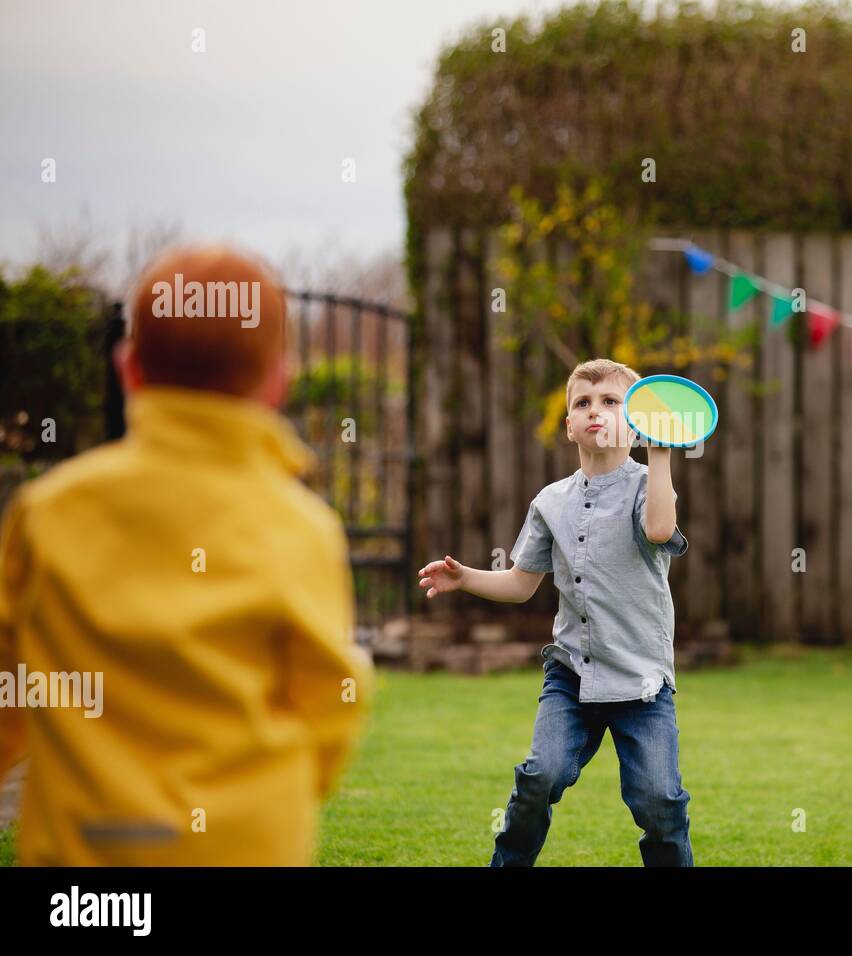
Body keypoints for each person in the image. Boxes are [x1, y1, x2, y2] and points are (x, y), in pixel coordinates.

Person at [0, 244, 371, 865]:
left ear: (129, 369)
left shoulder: (49, 511)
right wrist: (292, 787)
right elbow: (333, 695)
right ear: (279, 379)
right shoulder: (301, 528)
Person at [419, 357, 693, 866]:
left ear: (635, 419)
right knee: (538, 777)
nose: (596, 411)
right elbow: (522, 584)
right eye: (583, 403)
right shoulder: (550, 501)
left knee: (659, 802)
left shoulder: (647, 487)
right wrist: (466, 578)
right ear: (568, 425)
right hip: (572, 676)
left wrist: (660, 454)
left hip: (642, 681)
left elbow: (658, 530)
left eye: (611, 401)